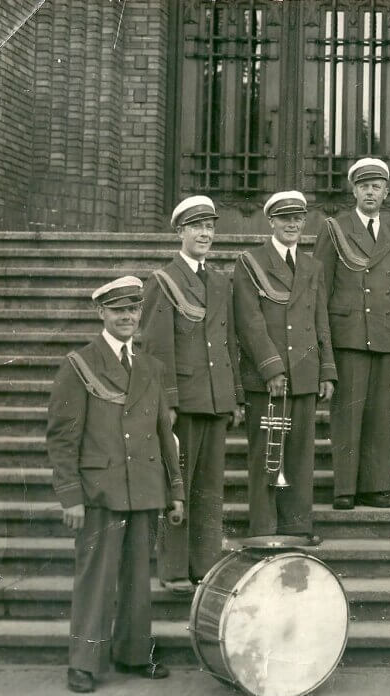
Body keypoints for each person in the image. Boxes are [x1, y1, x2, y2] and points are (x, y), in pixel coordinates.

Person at [46, 276, 184, 693]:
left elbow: (164, 435)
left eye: (133, 309)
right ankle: (84, 662)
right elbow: (62, 437)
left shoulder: (150, 366)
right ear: (101, 313)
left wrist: (175, 491)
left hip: (143, 487)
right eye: (118, 309)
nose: (127, 317)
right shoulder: (79, 365)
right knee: (96, 579)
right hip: (99, 491)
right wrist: (70, 496)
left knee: (138, 578)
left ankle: (134, 653)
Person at [140, 195, 244, 595]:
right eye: (196, 226)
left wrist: (233, 395)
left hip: (216, 400)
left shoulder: (219, 281)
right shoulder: (164, 281)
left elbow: (228, 341)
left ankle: (205, 566)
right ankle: (173, 569)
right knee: (177, 488)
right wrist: (166, 402)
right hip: (183, 401)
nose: (204, 234)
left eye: (210, 227)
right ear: (179, 231)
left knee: (209, 488)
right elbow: (155, 349)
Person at [234, 191, 336, 543]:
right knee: (265, 452)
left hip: (305, 370)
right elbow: (249, 322)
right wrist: (271, 368)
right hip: (269, 376)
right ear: (271, 221)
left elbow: (320, 320)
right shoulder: (250, 262)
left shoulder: (312, 266)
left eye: (298, 218)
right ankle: (263, 528)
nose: (292, 224)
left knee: (299, 454)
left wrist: (327, 370)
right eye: (285, 218)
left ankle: (296, 525)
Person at [312, 159, 390, 509]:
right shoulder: (335, 229)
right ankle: (345, 489)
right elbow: (319, 287)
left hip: (382, 332)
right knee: (348, 414)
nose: (371, 192)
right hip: (348, 332)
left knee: (379, 415)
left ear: (386, 193)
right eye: (364, 186)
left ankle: (375, 486)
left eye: (377, 186)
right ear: (354, 191)